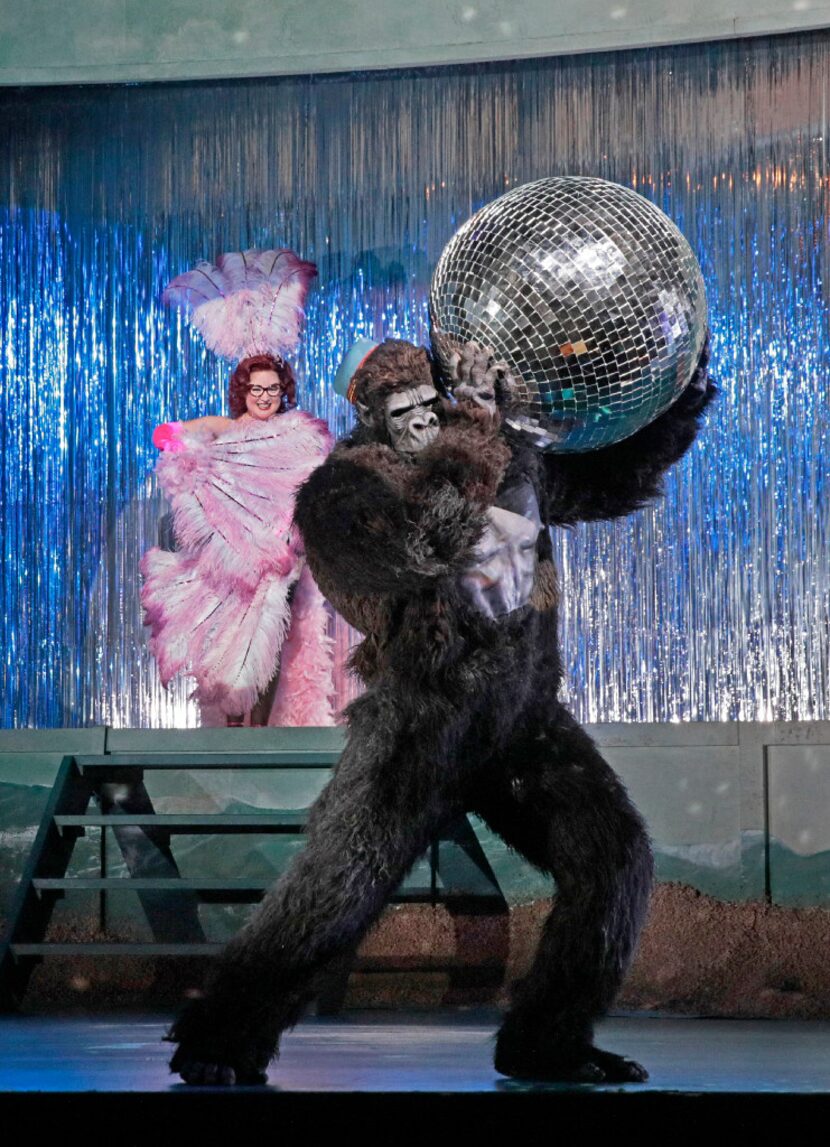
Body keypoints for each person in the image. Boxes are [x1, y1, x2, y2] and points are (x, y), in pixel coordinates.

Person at [166, 335, 715, 1084]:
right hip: (419, 724)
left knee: (615, 857)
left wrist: (680, 393)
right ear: (370, 418)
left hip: (520, 717)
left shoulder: (509, 456)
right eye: (406, 412)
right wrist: (472, 436)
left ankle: (547, 1040)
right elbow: (423, 544)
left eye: (431, 404)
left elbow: (614, 481)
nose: (424, 421)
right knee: (335, 893)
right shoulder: (341, 490)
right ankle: (221, 1038)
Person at [141, 351, 334, 727]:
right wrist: (188, 453)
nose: (264, 397)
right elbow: (163, 435)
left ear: (284, 391)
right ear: (242, 391)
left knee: (268, 647)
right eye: (256, 388)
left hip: (281, 561)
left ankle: (257, 733)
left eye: (273, 389)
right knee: (230, 643)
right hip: (235, 560)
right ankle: (232, 731)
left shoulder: (293, 436)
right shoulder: (226, 431)